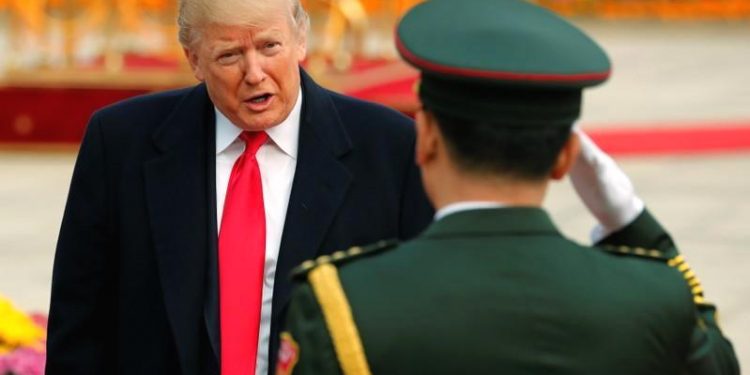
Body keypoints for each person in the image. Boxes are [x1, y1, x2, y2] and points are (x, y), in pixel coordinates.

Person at [277, 0, 740, 374]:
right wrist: (634, 223)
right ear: (565, 158)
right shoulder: (651, 297)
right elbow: (718, 361)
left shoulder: (341, 304)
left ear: (428, 137)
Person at [45, 1, 433, 374]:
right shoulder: (120, 143)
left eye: (269, 46)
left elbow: (420, 320)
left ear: (300, 38)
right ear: (194, 59)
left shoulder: (391, 149)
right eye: (229, 55)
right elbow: (78, 327)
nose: (254, 73)